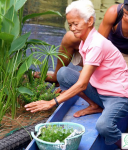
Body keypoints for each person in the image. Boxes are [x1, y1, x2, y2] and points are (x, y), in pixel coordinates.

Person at [25, 0, 128, 148]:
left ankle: (126, 144)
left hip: (118, 96)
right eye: (70, 24)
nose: (72, 28)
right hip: (100, 91)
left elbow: (82, 84)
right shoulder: (85, 41)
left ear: (90, 21)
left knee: (104, 126)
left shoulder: (96, 44)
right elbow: (84, 77)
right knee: (63, 74)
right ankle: (95, 105)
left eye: (76, 24)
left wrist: (52, 102)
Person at [34, 0, 128, 87]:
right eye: (125, 13)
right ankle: (56, 77)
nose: (126, 17)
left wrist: (79, 77)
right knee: (70, 37)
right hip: (104, 50)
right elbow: (99, 44)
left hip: (122, 60)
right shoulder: (114, 13)